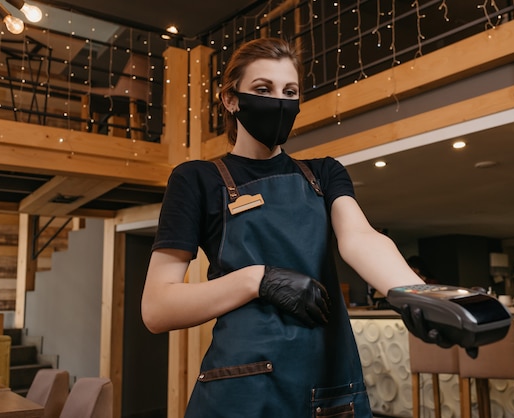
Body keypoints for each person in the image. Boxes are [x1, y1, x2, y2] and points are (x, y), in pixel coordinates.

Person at [141, 37, 425, 417]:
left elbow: (360, 237)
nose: (278, 101)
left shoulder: (324, 173)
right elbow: (157, 308)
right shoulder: (197, 180)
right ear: (230, 99)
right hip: (243, 391)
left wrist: (416, 293)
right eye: (263, 89)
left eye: (289, 91)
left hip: (329, 388)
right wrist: (257, 279)